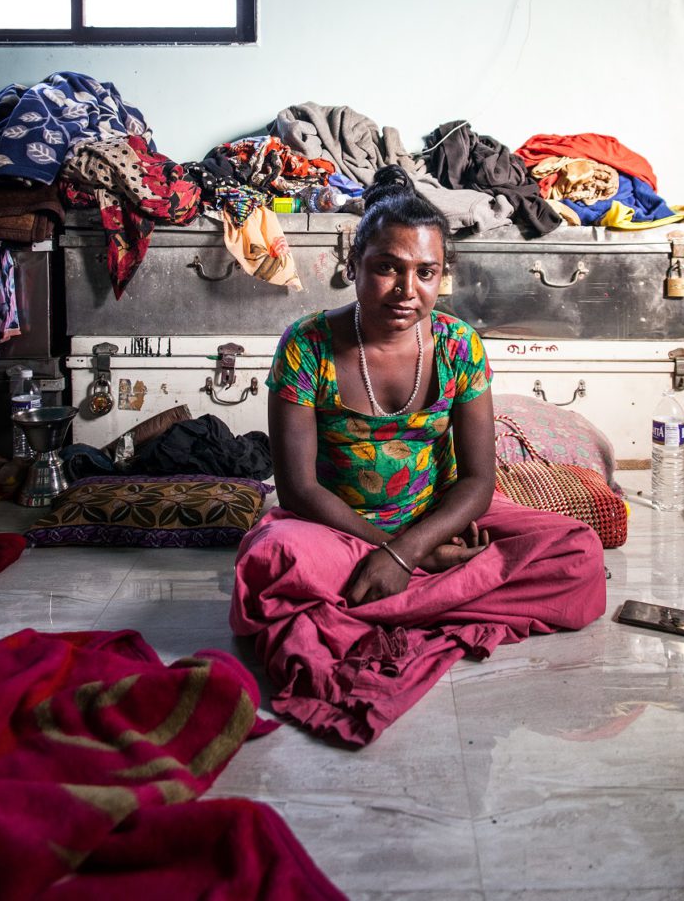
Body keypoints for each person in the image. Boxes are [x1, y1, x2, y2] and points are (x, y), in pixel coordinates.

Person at [230, 165, 607, 746]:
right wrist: (411, 558)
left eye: (426, 273)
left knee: (577, 552)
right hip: (337, 528)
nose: (408, 291)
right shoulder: (306, 346)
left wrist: (410, 550)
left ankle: (384, 600)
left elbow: (480, 480)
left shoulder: (459, 345)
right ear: (352, 265)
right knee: (272, 562)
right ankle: (450, 590)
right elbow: (299, 488)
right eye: (387, 267)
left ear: (441, 277)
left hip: (433, 523)